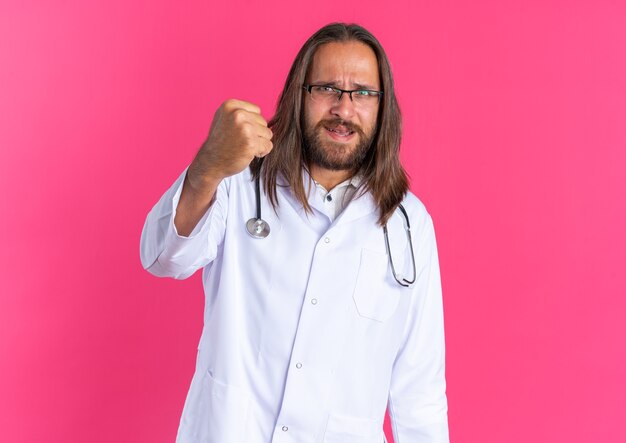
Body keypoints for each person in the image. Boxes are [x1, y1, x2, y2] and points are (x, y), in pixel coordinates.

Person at [140, 22, 449, 443]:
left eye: (362, 92)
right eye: (326, 89)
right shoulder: (237, 182)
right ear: (298, 95)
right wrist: (207, 167)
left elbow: (420, 391)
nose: (344, 108)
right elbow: (162, 257)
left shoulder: (409, 224)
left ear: (382, 106)